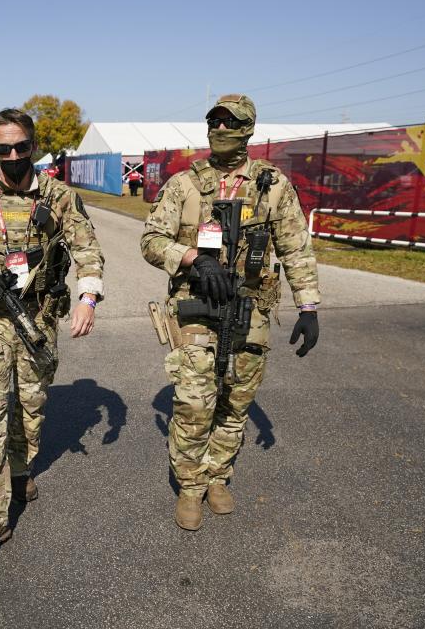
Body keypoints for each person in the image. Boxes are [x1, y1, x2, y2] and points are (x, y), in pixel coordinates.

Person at [140, 94, 320, 531]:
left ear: (248, 129)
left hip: (250, 310)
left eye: (230, 121)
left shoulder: (272, 185)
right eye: (214, 120)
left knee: (236, 402)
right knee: (194, 403)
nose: (220, 128)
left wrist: (308, 306)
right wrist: (192, 259)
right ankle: (189, 486)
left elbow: (296, 246)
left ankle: (217, 476)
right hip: (196, 311)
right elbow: (151, 239)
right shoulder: (183, 184)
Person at [0, 108, 104, 555]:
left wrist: (89, 297)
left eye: (20, 148)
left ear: (33, 147)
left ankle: (21, 466)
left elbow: (88, 249)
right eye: (3, 149)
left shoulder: (59, 195)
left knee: (31, 406)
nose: (12, 156)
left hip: (38, 316)